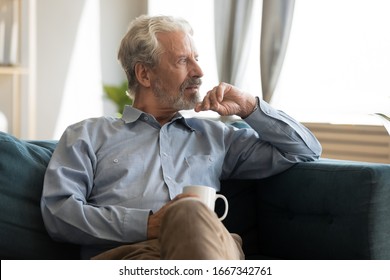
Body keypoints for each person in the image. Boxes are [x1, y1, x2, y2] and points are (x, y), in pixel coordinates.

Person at [40, 15, 322, 260]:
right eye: (183, 60)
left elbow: (304, 150)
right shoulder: (88, 135)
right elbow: (59, 213)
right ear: (144, 74)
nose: (199, 72)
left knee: (192, 216)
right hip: (132, 258)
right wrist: (147, 225)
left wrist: (250, 106)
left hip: (214, 249)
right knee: (189, 211)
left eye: (196, 59)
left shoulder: (215, 136)